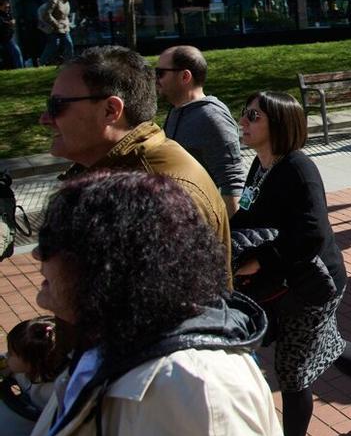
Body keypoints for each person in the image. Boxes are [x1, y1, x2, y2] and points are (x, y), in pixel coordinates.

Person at [15, 171, 290, 436]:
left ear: (110, 262)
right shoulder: (111, 341)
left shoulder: (195, 389)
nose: (36, 255)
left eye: (51, 243)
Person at [233, 92, 351, 436]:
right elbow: (246, 214)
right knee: (328, 344)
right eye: (244, 114)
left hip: (313, 284)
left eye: (252, 116)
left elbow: (311, 234)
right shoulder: (260, 166)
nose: (242, 122)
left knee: (293, 373)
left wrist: (261, 260)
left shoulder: (298, 169)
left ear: (278, 124)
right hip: (283, 281)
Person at [38, 45, 232, 273]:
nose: (45, 119)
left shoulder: (162, 195)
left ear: (110, 110)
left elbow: (174, 303)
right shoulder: (126, 174)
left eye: (57, 106)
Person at [157, 46, 245, 217]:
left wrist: (230, 238)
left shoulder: (211, 117)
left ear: (185, 76)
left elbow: (232, 183)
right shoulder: (176, 111)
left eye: (160, 73)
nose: (156, 79)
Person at [0, 317, 70, 436]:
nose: (7, 356)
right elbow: (4, 363)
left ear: (33, 363)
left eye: (12, 354)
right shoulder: (22, 369)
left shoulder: (54, 391)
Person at [38, 0, 73, 66]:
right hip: (54, 28)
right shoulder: (54, 1)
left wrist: (68, 24)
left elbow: (65, 16)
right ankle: (41, 62)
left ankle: (69, 64)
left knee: (69, 44)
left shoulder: (67, 2)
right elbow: (47, 15)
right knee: (53, 45)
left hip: (64, 28)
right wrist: (56, 24)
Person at [0, 0, 23, 70]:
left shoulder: (7, 14)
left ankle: (19, 69)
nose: (7, 8)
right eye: (5, 7)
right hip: (2, 38)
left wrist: (12, 22)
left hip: (8, 37)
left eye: (8, 7)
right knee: (15, 53)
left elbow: (11, 20)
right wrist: (9, 23)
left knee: (15, 53)